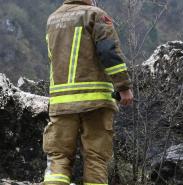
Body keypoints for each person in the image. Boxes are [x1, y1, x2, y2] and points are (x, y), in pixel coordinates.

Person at [43, 0, 133, 184]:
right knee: (96, 157)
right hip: (96, 101)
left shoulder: (52, 19)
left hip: (60, 103)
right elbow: (109, 52)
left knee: (58, 157)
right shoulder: (95, 15)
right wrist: (123, 87)